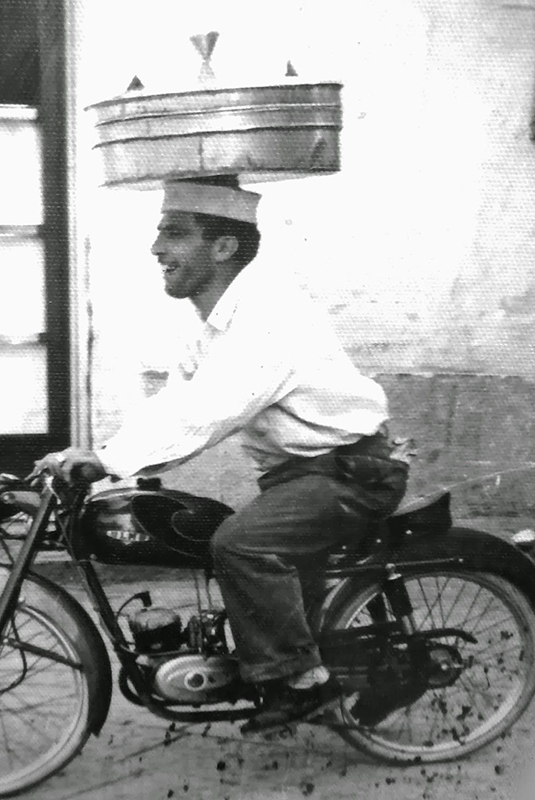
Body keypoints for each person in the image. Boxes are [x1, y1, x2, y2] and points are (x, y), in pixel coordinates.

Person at [35, 176, 409, 733]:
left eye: (174, 234)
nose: (156, 249)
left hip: (351, 474)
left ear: (224, 247)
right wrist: (104, 455)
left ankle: (303, 683)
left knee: (239, 543)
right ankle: (278, 658)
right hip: (300, 477)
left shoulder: (270, 313)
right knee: (208, 530)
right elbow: (175, 402)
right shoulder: (213, 325)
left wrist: (111, 462)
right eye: (160, 233)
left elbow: (214, 408)